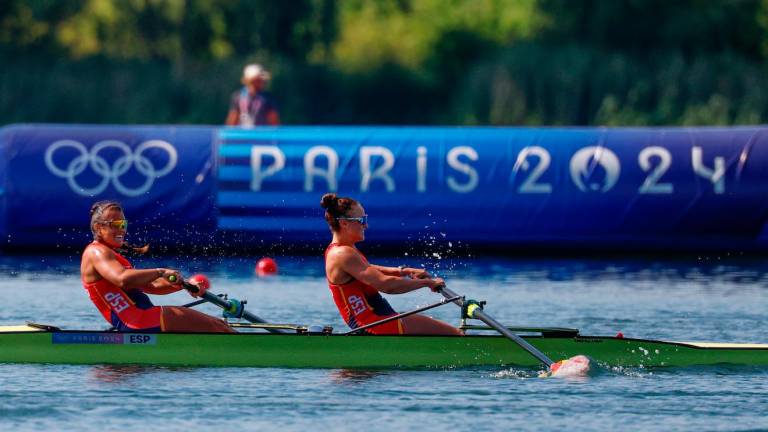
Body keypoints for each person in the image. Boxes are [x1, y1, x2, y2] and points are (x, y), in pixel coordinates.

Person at [80, 200, 234, 333]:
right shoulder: (96, 252)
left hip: (142, 320)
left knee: (218, 325)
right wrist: (160, 271)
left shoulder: (111, 255)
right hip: (139, 320)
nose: (122, 229)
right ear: (99, 227)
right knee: (218, 326)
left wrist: (184, 285)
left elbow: (151, 286)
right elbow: (122, 279)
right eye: (116, 224)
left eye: (123, 224)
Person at [321, 193, 462, 335]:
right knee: (456, 334)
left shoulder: (340, 250)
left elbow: (367, 268)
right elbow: (387, 285)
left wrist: (404, 271)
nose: (366, 225)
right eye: (361, 220)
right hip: (374, 325)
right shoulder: (343, 254)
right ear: (344, 223)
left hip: (378, 321)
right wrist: (427, 283)